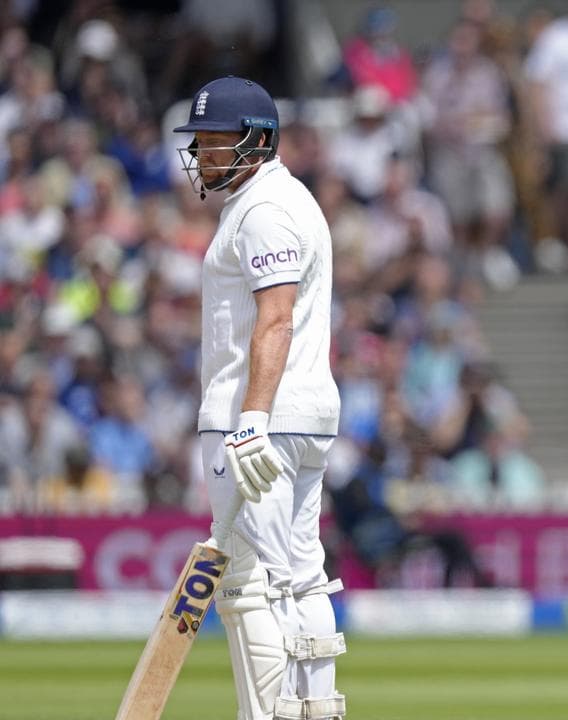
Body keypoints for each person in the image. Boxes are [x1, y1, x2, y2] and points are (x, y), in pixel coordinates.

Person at [174, 76, 346, 720]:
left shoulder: (263, 210)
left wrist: (250, 420)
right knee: (301, 573)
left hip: (256, 419)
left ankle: (270, 716)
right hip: (301, 416)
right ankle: (315, 708)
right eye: (201, 141)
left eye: (217, 141)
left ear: (259, 140)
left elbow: (276, 318)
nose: (204, 155)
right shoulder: (280, 200)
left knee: (254, 584)